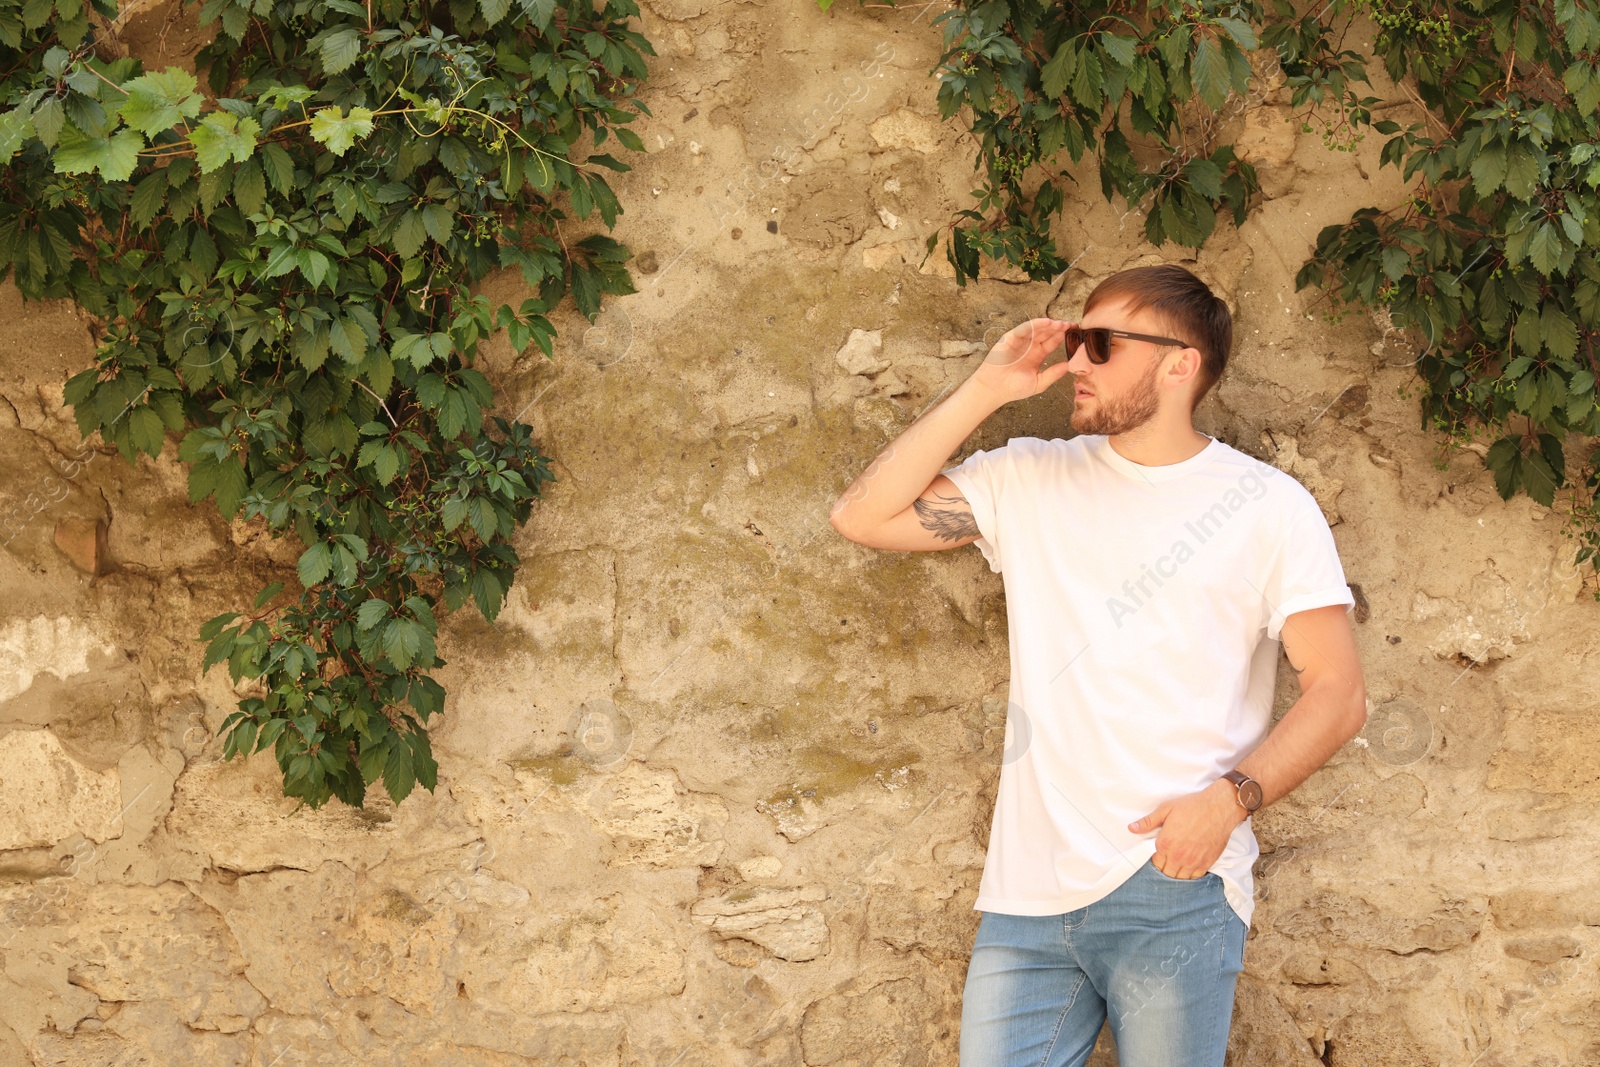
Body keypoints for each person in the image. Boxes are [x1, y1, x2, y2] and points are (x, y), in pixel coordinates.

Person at [828, 263, 1367, 1066]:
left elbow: (1339, 693)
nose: (1075, 362)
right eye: (1076, 339)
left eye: (1101, 343)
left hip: (1175, 883)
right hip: (1027, 897)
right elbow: (861, 515)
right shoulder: (1029, 475)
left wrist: (1227, 805)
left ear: (1180, 363)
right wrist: (984, 388)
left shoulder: (1266, 506)